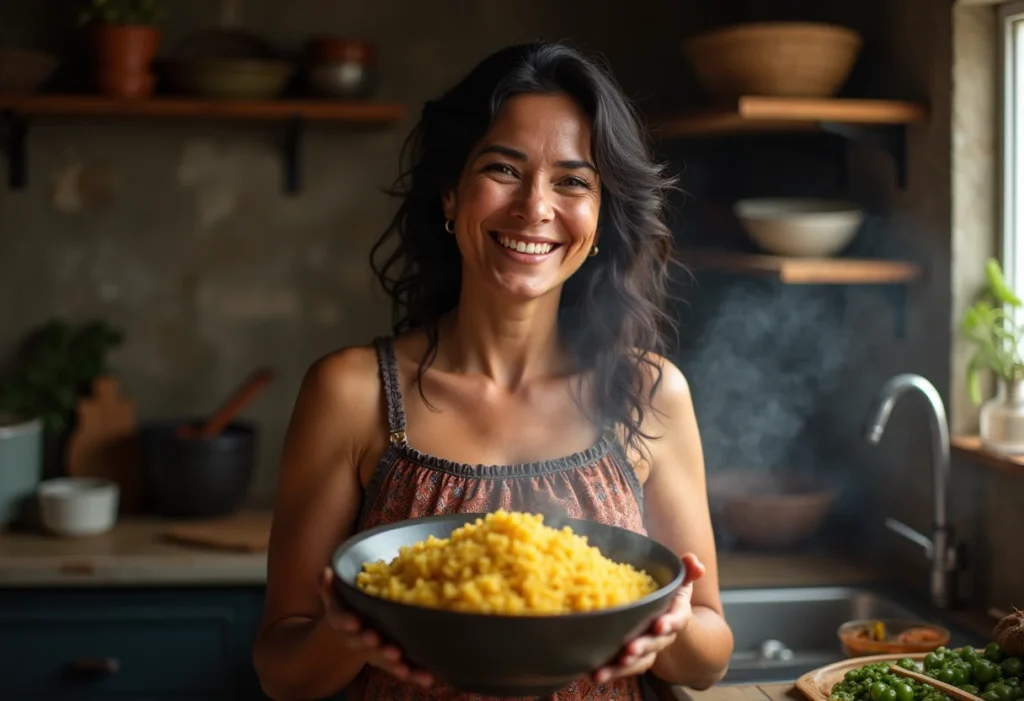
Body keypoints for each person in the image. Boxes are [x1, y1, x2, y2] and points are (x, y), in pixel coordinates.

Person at [252, 40, 734, 701]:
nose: (535, 207)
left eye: (572, 180)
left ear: (598, 217)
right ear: (451, 194)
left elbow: (709, 657)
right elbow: (281, 668)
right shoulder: (350, 391)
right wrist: (350, 629)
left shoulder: (650, 394)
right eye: (503, 169)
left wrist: (671, 624)